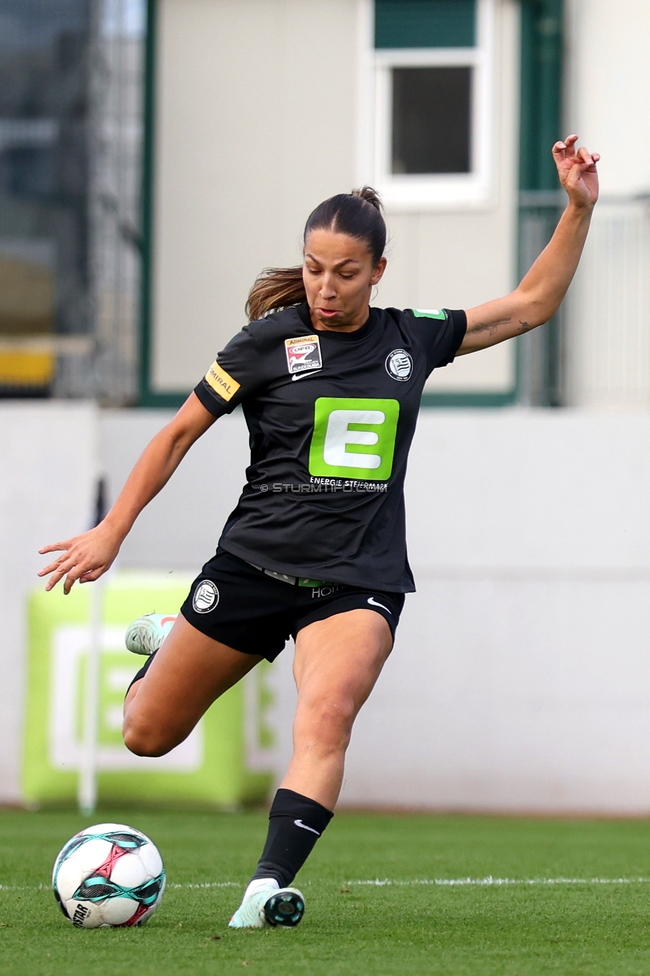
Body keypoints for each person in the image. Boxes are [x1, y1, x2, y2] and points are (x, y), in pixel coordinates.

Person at [38, 135, 599, 929]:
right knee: (145, 734)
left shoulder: (413, 338)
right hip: (253, 568)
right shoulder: (265, 346)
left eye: (343, 272)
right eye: (312, 268)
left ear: (376, 272)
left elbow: (531, 303)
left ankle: (266, 888)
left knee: (326, 713)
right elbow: (173, 438)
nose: (325, 287)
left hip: (356, 581)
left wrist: (577, 207)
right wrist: (111, 532)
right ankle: (176, 637)